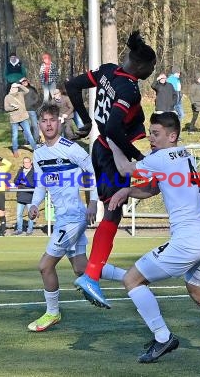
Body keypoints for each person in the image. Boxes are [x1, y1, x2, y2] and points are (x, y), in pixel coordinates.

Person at [107, 111, 200, 362]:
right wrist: (128, 191)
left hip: (187, 242)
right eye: (150, 133)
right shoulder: (185, 153)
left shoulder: (161, 158)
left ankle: (163, 338)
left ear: (172, 136)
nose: (151, 138)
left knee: (132, 280)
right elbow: (153, 188)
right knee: (198, 292)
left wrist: (110, 140)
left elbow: (124, 167)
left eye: (156, 134)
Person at [66, 31, 156, 308]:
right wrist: (135, 156)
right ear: (141, 67)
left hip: (101, 148)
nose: (152, 72)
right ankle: (91, 276)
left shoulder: (107, 71)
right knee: (115, 212)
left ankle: (91, 275)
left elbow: (72, 85)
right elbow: (115, 126)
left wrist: (84, 119)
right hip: (111, 151)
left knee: (114, 211)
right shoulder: (128, 88)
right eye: (151, 68)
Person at [27, 104, 126, 332]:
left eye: (52, 120)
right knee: (82, 268)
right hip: (64, 217)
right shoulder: (39, 153)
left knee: (45, 266)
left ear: (59, 123)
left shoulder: (71, 149)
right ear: (39, 124)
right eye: (44, 121)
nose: (48, 124)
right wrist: (34, 204)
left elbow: (92, 172)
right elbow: (41, 184)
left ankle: (52, 312)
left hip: (73, 217)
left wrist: (93, 202)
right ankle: (132, 277)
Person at [4, 82, 37, 158]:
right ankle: (15, 150)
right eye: (13, 88)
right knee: (14, 136)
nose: (14, 89)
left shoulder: (20, 94)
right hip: (14, 119)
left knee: (29, 134)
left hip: (23, 117)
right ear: (10, 88)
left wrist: (19, 85)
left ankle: (35, 149)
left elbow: (27, 91)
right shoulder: (7, 97)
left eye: (16, 88)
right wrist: (13, 108)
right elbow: (6, 108)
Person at [13, 157, 35, 236]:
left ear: (31, 162)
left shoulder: (35, 171)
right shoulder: (20, 170)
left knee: (31, 214)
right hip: (21, 196)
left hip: (30, 196)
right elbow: (15, 181)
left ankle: (30, 229)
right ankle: (19, 229)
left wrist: (26, 183)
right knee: (19, 214)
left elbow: (35, 184)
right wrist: (20, 181)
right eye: (24, 162)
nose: (26, 164)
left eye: (27, 162)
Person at [20, 77, 42, 143]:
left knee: (35, 125)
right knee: (26, 126)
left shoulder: (32, 89)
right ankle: (27, 141)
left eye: (25, 81)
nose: (24, 82)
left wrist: (32, 105)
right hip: (23, 111)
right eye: (23, 82)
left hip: (32, 110)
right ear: (21, 83)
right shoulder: (20, 90)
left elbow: (37, 98)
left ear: (27, 81)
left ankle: (37, 139)